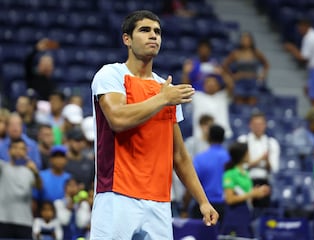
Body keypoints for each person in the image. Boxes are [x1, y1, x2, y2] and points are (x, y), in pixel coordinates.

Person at [90, 10, 218, 239]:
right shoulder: (111, 74)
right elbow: (118, 119)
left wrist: (203, 201)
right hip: (116, 195)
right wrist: (163, 98)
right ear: (126, 39)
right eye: (145, 30)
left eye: (157, 32)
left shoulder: (166, 89)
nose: (153, 36)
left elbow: (179, 155)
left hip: (159, 200)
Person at [220, 142, 270, 238]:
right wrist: (252, 194)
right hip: (234, 217)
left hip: (246, 215)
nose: (249, 154)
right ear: (242, 155)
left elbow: (248, 196)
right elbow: (230, 199)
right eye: (248, 152)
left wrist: (258, 192)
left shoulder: (246, 173)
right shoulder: (230, 174)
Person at [284, 19, 314, 110]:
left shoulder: (309, 38)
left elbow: (303, 58)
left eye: (300, 28)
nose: (299, 30)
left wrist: (292, 49)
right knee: (308, 90)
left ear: (305, 26)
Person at [188, 125, 230, 228]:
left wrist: (185, 207)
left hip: (202, 206)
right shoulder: (229, 158)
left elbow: (192, 181)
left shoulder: (200, 158)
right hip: (224, 207)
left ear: (208, 137)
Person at [0, 138, 42, 239]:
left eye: (22, 148)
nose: (18, 151)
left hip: (24, 221)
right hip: (3, 220)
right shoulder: (3, 167)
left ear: (26, 152)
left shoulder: (30, 171)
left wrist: (35, 172)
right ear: (8, 151)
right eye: (15, 148)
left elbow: (39, 186)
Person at [237, 111, 280, 208]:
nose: (258, 127)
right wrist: (260, 160)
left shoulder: (271, 143)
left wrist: (266, 160)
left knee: (263, 212)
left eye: (260, 124)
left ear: (265, 125)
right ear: (250, 125)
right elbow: (240, 165)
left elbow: (274, 168)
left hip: (264, 181)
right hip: (245, 180)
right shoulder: (243, 140)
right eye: (255, 124)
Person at [223, 31, 270, 105]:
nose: (245, 41)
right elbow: (225, 65)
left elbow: (266, 65)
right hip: (240, 81)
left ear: (251, 41)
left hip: (253, 81)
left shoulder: (256, 53)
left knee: (252, 103)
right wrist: (232, 76)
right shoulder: (236, 53)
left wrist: (262, 75)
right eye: (243, 39)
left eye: (247, 39)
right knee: (239, 103)